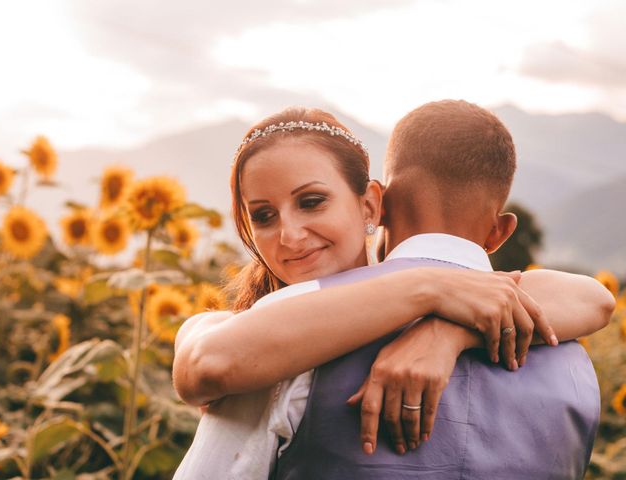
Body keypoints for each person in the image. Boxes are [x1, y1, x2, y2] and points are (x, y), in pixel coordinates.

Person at [172, 104, 613, 479]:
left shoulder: (281, 342)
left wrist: (447, 330)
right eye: (263, 216)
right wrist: (430, 291)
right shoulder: (572, 360)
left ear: (374, 206)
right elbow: (595, 298)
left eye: (311, 202)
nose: (288, 236)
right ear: (499, 231)